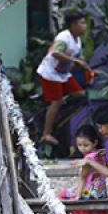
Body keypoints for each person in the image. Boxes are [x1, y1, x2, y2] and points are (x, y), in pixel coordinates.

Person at [36, 10, 93, 146]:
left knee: (79, 94)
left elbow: (77, 57)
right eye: (82, 23)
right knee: (57, 101)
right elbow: (56, 52)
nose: (85, 26)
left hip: (63, 75)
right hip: (51, 74)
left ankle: (56, 111)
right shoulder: (64, 37)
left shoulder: (77, 40)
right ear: (73, 25)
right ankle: (46, 133)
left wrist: (85, 66)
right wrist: (75, 60)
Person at [59, 125, 108, 214]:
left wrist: (78, 195)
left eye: (86, 145)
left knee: (61, 196)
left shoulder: (88, 159)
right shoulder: (100, 154)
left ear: (95, 142)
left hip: (88, 192)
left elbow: (82, 178)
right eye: (79, 145)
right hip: (100, 193)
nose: (82, 148)